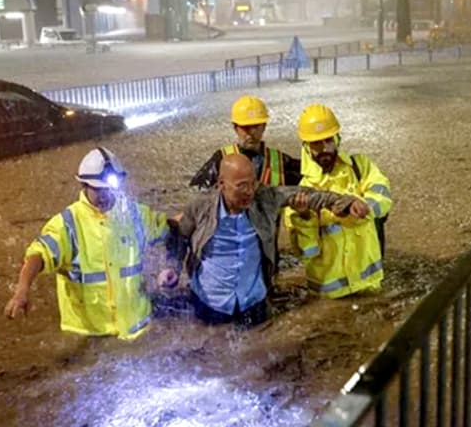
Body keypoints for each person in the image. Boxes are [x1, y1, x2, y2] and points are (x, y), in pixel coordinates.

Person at [163, 153, 368, 327]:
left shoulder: (265, 198)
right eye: (242, 186)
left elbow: (310, 195)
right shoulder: (200, 207)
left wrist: (346, 203)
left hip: (254, 304)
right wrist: (172, 268)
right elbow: (180, 238)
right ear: (221, 185)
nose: (250, 192)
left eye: (253, 184)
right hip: (209, 304)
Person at [5, 147, 171, 340]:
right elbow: (38, 256)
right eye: (97, 189)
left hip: (137, 329)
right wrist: (22, 291)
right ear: (83, 185)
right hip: (91, 336)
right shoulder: (67, 224)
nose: (104, 195)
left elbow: (168, 228)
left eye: (108, 189)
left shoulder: (135, 214)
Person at [284, 104, 391, 299]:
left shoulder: (360, 167)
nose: (324, 148)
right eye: (316, 143)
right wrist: (304, 217)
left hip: (369, 285)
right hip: (330, 296)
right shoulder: (301, 192)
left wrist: (365, 206)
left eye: (328, 140)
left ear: (337, 139)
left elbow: (383, 196)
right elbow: (308, 254)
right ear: (306, 147)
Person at [189, 95, 301, 190]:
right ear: (236, 128)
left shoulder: (280, 161)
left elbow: (309, 176)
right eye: (246, 127)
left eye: (256, 126)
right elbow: (198, 190)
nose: (252, 133)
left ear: (264, 127)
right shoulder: (222, 158)